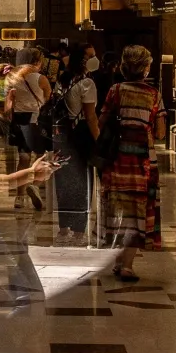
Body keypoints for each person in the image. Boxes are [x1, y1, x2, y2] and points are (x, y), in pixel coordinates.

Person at [0, 76, 55, 309]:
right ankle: (20, 344)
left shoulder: (3, 126)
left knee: (0, 304)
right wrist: (32, 174)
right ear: (12, 97)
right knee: (30, 298)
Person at [99, 45, 163, 282]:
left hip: (117, 157)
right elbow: (161, 131)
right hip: (143, 159)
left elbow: (103, 119)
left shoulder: (115, 90)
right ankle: (126, 265)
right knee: (138, 210)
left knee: (117, 208)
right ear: (145, 68)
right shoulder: (154, 94)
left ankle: (117, 260)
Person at [51, 45, 100, 245]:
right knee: (82, 181)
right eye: (91, 56)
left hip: (61, 134)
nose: (95, 59)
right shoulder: (87, 83)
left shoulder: (62, 79)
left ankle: (63, 228)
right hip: (80, 135)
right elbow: (90, 117)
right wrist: (99, 140)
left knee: (63, 181)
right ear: (83, 61)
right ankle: (79, 231)